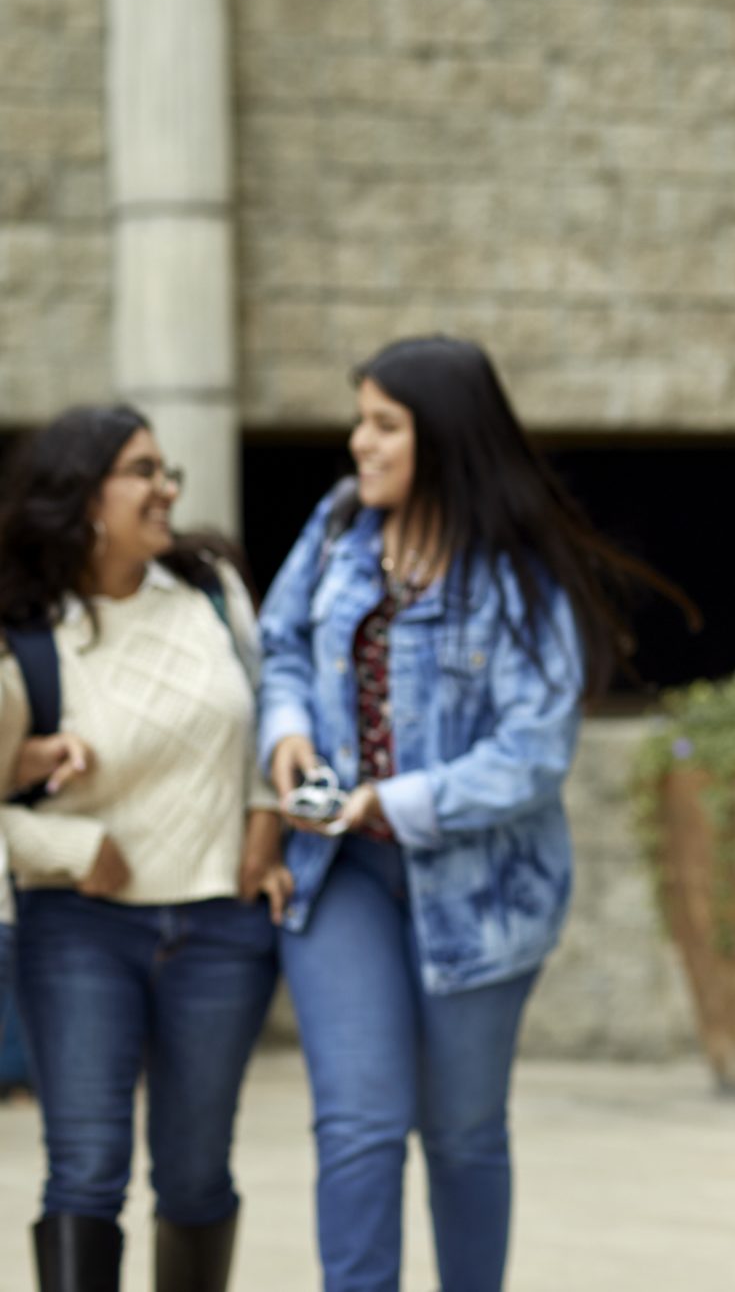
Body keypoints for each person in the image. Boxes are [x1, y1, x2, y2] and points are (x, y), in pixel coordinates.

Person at [259, 336, 674, 1292]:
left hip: (482, 892)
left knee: (461, 1132)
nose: (357, 442)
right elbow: (279, 645)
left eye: (383, 424)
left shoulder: (517, 577)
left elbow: (531, 755)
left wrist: (386, 800)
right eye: (359, 418)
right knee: (360, 1122)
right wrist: (284, 732)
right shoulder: (335, 528)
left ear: (441, 439)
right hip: (343, 875)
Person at [0, 407, 288, 1292]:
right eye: (142, 470)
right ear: (85, 495)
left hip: (222, 930)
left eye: (167, 471)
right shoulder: (24, 633)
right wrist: (66, 841)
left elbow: (267, 720)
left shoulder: (212, 591)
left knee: (196, 1174)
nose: (167, 488)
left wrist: (264, 823)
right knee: (86, 1169)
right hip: (78, 930)